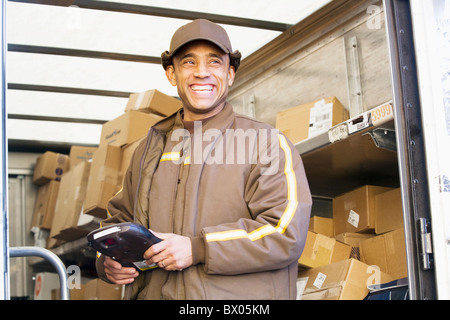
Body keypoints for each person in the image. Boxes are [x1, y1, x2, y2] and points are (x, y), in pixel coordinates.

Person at [95, 19, 312, 300]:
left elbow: (285, 233)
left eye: (213, 62)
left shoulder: (266, 143)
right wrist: (107, 262)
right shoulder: (149, 149)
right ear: (172, 74)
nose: (201, 73)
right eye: (189, 62)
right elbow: (118, 221)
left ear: (230, 73)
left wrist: (199, 248)